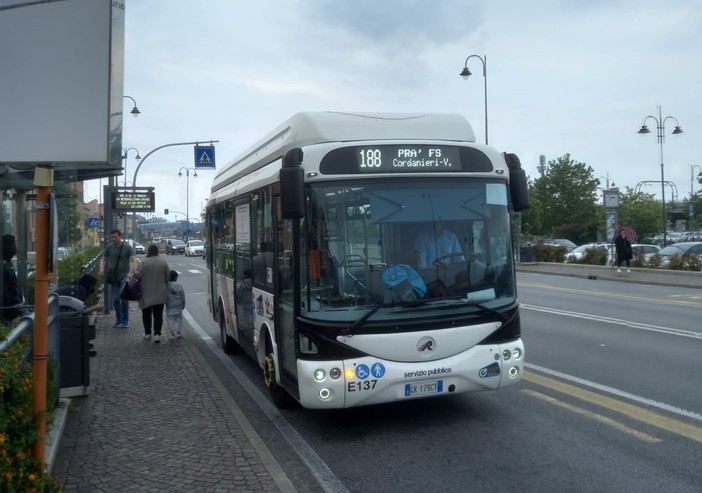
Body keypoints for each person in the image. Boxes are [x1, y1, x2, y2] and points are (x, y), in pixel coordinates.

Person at [99, 229, 137, 328]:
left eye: (115, 237)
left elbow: (134, 261)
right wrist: (102, 269)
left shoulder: (127, 247)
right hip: (113, 277)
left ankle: (125, 320)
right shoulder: (109, 247)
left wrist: (130, 272)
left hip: (124, 276)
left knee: (124, 298)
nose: (113, 239)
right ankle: (118, 319)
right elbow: (104, 259)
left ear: (120, 236)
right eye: (112, 237)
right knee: (115, 299)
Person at [135, 244, 170, 343]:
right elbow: (167, 278)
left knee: (146, 314)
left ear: (148, 251)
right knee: (158, 314)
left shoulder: (143, 262)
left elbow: (137, 276)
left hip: (145, 292)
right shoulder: (163, 262)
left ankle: (147, 333)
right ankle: (157, 334)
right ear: (157, 251)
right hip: (160, 293)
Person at [1, 234, 26, 322]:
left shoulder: (7, 264)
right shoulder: (3, 267)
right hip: (12, 312)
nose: (17, 247)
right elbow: (4, 293)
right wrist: (13, 316)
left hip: (17, 307)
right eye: (15, 244)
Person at [165, 269, 185, 340]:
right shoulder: (179, 286)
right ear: (176, 278)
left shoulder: (166, 286)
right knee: (179, 320)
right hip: (178, 306)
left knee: (170, 321)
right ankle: (178, 333)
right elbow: (182, 296)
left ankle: (172, 334)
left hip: (170, 307)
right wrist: (183, 305)